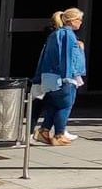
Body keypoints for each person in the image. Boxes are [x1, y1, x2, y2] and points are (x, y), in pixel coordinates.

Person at [32, 8, 87, 146]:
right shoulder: (68, 35)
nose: (80, 23)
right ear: (71, 20)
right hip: (63, 77)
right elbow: (66, 57)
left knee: (53, 104)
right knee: (65, 105)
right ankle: (59, 134)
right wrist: (67, 77)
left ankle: (44, 131)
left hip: (50, 76)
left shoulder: (55, 34)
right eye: (78, 19)